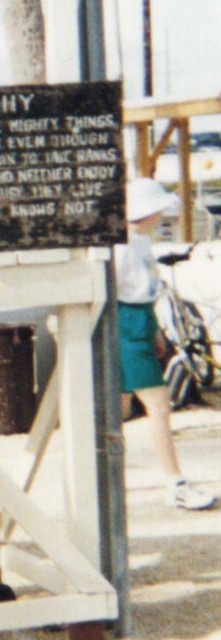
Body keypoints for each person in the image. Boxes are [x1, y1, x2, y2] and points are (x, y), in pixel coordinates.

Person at [115, 177, 216, 511]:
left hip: (141, 320)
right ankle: (174, 481)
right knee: (158, 407)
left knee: (122, 409)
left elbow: (145, 291)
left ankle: (113, 480)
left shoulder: (140, 240)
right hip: (126, 324)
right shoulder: (124, 246)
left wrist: (156, 331)